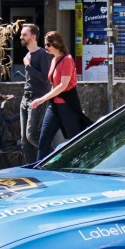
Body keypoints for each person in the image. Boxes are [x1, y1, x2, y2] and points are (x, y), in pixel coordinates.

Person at [31, 31, 89, 159]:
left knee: (75, 140)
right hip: (54, 106)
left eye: (48, 44)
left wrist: (41, 99)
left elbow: (63, 85)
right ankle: (41, 172)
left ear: (56, 44)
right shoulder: (54, 60)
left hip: (67, 105)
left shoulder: (67, 59)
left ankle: (81, 165)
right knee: (43, 141)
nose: (45, 47)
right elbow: (53, 84)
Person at [17, 23, 52, 163]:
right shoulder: (27, 54)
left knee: (31, 136)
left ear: (33, 37)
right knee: (25, 141)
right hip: (25, 99)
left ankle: (55, 157)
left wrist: (28, 67)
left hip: (37, 99)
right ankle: (31, 167)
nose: (21, 37)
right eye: (21, 34)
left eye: (24, 34)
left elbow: (45, 79)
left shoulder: (42, 54)